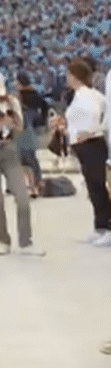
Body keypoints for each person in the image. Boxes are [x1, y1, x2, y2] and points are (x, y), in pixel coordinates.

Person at [0, 71, 44, 256]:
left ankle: (25, 241)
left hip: (9, 150)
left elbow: (20, 129)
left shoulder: (12, 101)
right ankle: (3, 240)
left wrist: (11, 123)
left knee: (22, 197)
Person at [64, 59, 111, 247]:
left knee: (98, 188)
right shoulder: (83, 95)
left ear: (75, 76)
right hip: (85, 147)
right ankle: (99, 225)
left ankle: (107, 226)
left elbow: (99, 116)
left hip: (92, 145)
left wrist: (92, 130)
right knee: (93, 188)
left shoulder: (87, 96)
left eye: (68, 75)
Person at [16, 71, 48, 196]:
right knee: (27, 157)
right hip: (27, 127)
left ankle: (34, 182)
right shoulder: (32, 93)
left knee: (26, 157)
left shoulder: (24, 94)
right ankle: (34, 182)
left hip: (25, 127)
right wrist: (41, 120)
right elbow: (45, 106)